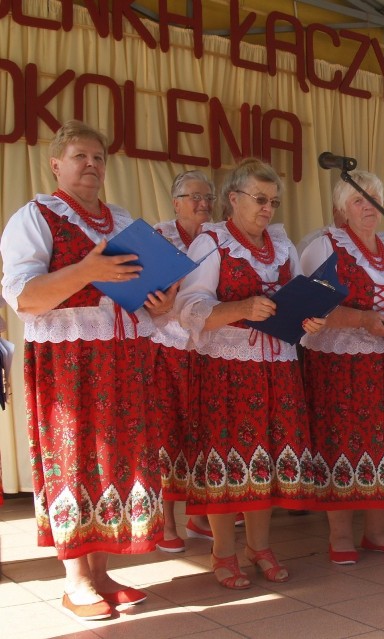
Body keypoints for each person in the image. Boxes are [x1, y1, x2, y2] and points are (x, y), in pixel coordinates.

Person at [0, 120, 169, 619]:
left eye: (98, 157)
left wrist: (157, 303)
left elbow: (136, 295)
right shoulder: (34, 217)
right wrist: (87, 270)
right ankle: (75, 580)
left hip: (123, 356)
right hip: (69, 361)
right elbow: (24, 298)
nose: (91, 164)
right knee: (73, 459)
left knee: (114, 458)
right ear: (56, 164)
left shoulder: (120, 220)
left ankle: (101, 572)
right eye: (79, 156)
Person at [175, 158, 317, 589]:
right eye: (259, 199)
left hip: (277, 366)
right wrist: (240, 309)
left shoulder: (283, 244)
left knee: (267, 460)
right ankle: (223, 551)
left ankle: (259, 546)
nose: (267, 209)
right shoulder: (211, 242)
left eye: (273, 201)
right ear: (233, 198)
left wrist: (310, 318)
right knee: (226, 461)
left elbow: (298, 295)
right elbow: (188, 307)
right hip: (226, 369)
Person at [300, 170, 384, 564]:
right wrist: (362, 320)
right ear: (342, 208)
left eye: (373, 198)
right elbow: (307, 307)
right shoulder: (325, 246)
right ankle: (340, 536)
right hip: (341, 363)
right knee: (342, 441)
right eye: (358, 200)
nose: (368, 206)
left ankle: (377, 532)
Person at [152, 170, 216, 552]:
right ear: (176, 203)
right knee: (166, 434)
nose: (203, 204)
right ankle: (166, 523)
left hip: (208, 348)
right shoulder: (159, 237)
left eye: (208, 197)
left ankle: (200, 515)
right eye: (195, 197)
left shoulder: (220, 238)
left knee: (204, 432)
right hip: (166, 348)